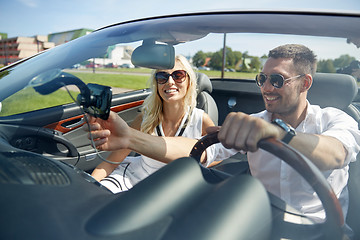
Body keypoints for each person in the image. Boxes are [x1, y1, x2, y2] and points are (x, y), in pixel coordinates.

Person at [87, 44, 360, 231]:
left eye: (277, 80)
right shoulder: (256, 122)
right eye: (262, 78)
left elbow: (335, 152)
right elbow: (201, 149)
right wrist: (131, 139)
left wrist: (279, 134)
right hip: (259, 219)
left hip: (321, 228)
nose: (266, 87)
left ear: (305, 83)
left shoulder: (335, 120)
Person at [90, 55, 215, 193]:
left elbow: (216, 154)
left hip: (174, 188)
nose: (170, 82)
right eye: (162, 77)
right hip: (133, 179)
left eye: (178, 75)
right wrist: (89, 186)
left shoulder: (201, 119)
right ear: (157, 85)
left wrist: (198, 164)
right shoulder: (144, 118)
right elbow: (112, 162)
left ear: (189, 82)